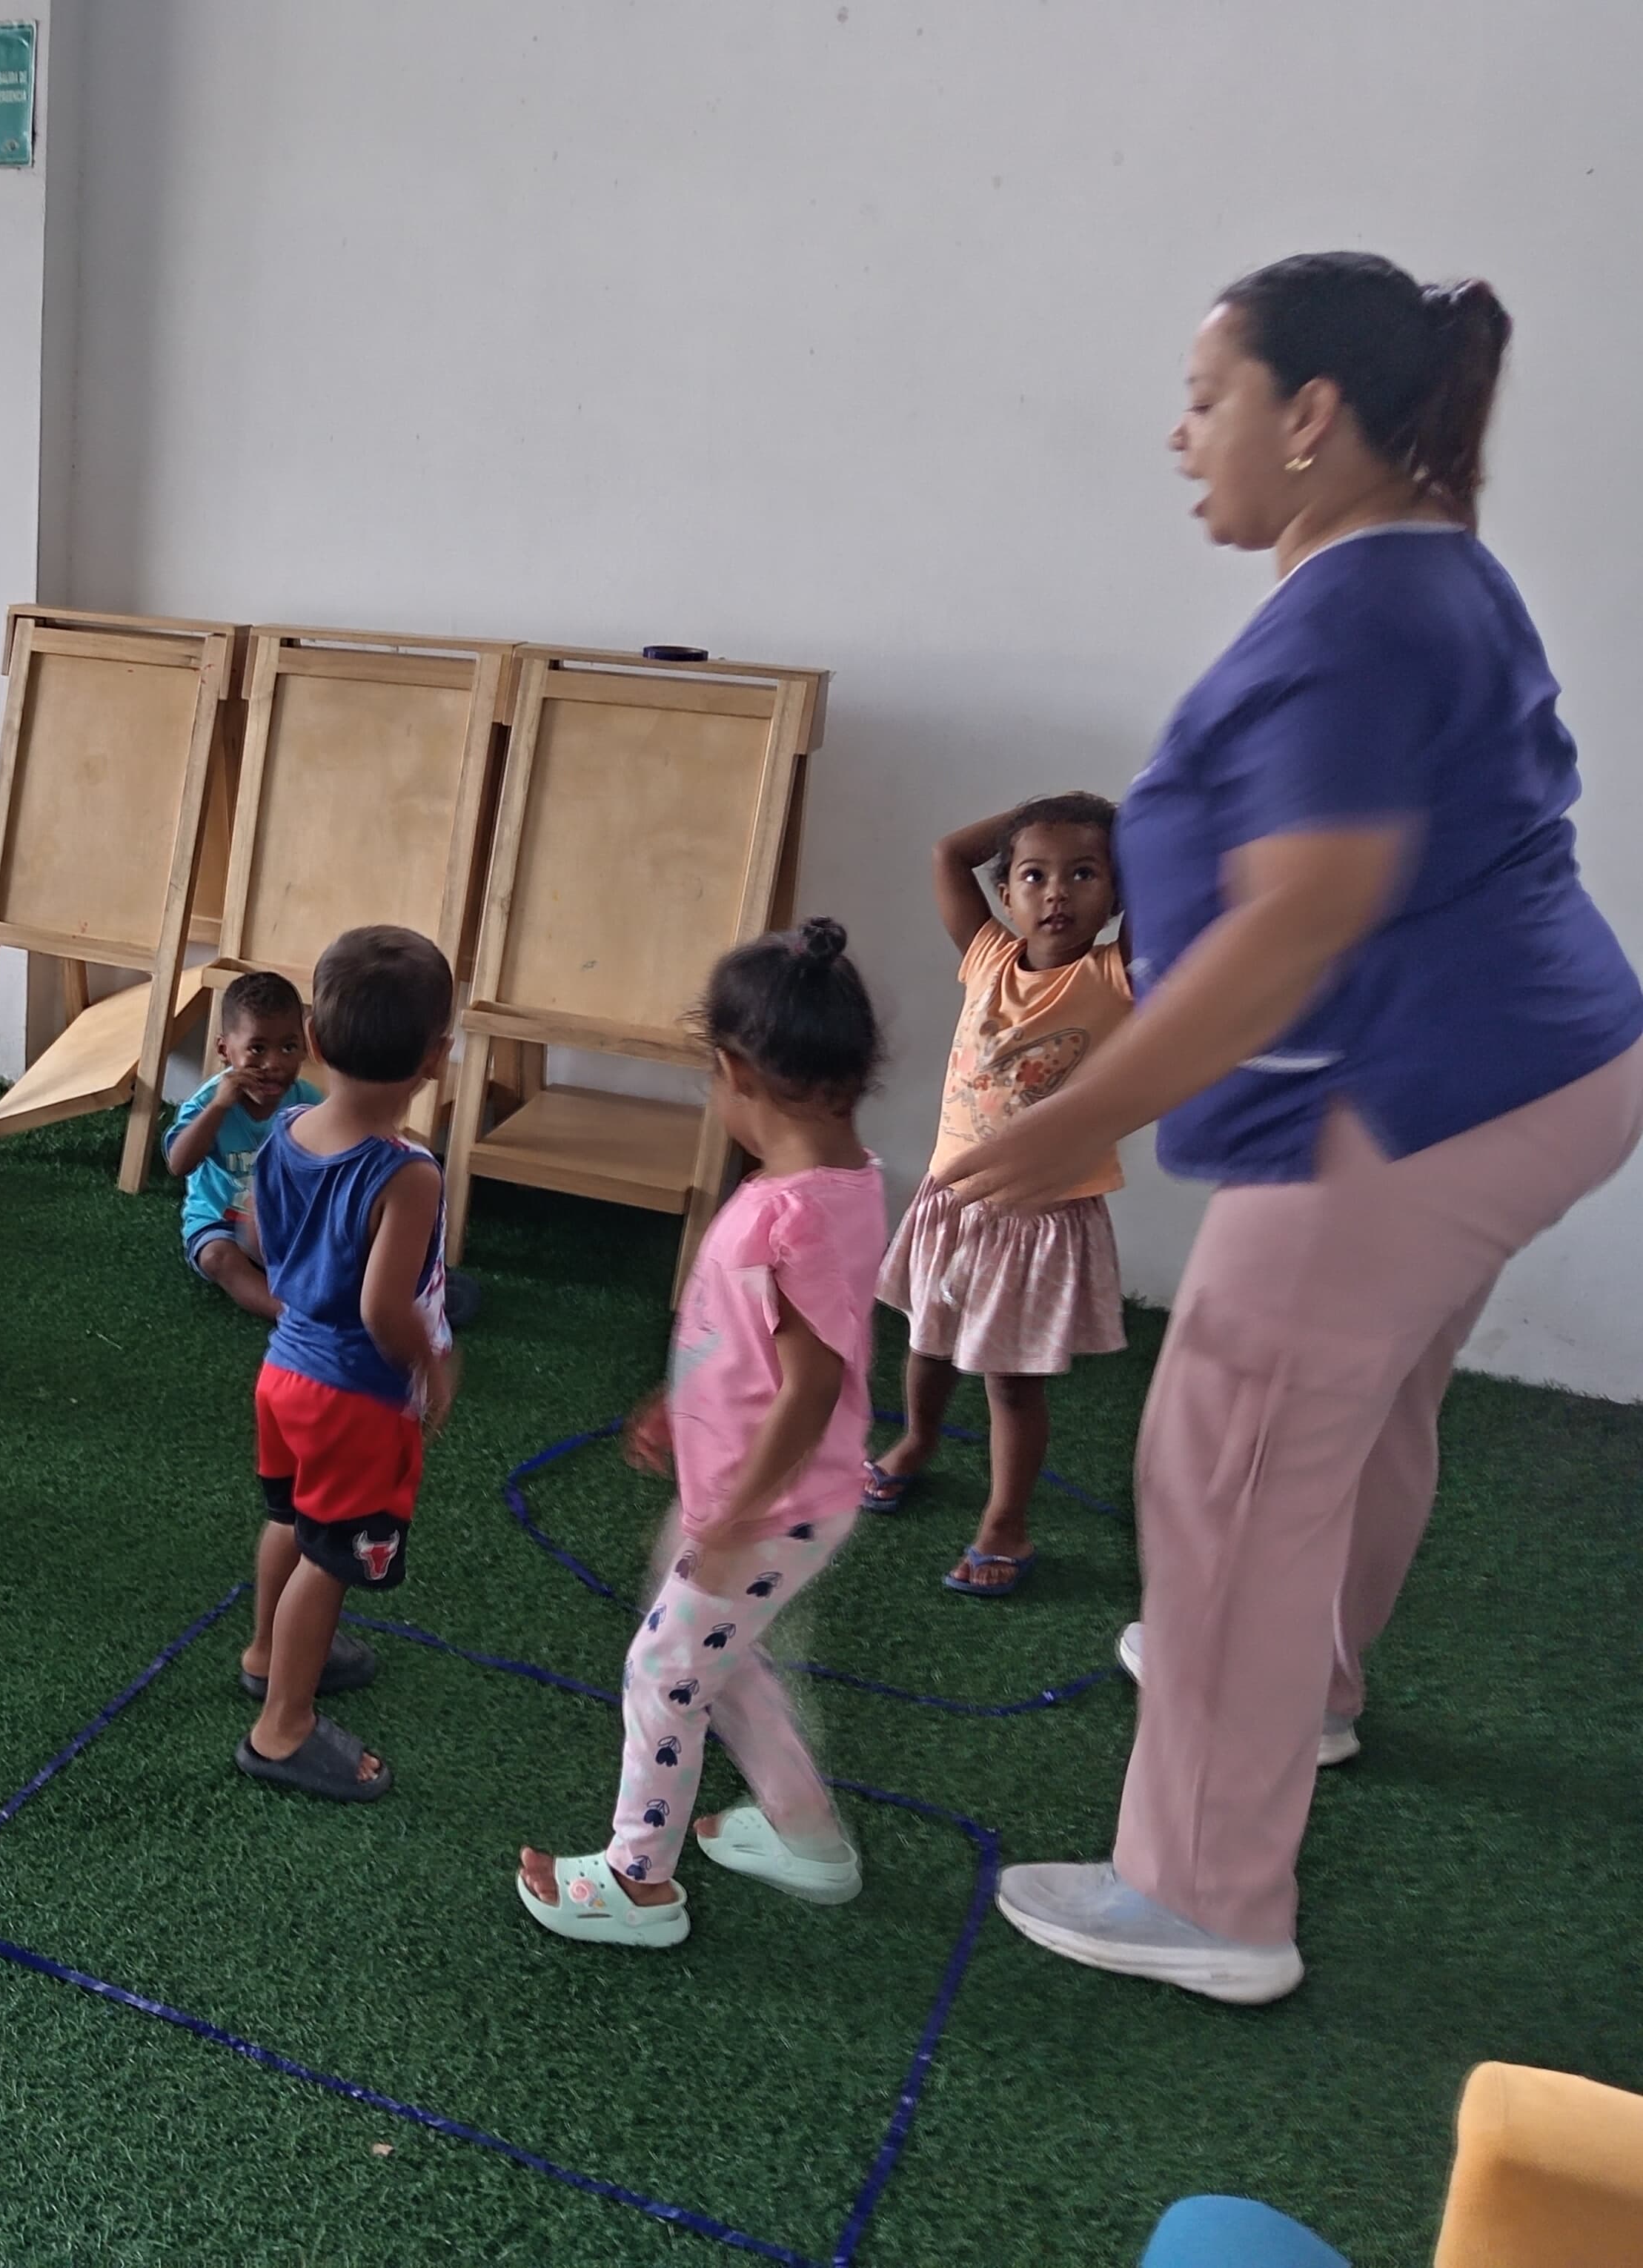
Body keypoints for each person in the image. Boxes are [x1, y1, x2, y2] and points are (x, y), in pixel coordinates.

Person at [946, 253, 1643, 2004]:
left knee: (1234, 1459)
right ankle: (1310, 1685)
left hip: (1406, 1095)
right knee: (1364, 1400)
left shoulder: (1360, 613)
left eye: (1208, 398)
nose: (1180, 435)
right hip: (1538, 1067)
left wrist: (1074, 1114)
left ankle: (1201, 1896)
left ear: (1309, 413)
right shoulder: (1423, 568)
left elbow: (1300, 917)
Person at [517, 920, 888, 1947]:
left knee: (664, 1671)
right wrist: (679, 1403)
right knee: (716, 1661)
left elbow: (812, 1387)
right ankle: (805, 1835)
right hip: (758, 1491)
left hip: (771, 1506)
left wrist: (736, 1515)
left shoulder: (795, 1215)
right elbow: (756, 1342)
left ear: (735, 1073)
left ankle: (638, 1883)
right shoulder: (842, 1181)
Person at [864, 798, 1132, 1596]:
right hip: (953, 1203)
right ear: (1007, 893)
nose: (1057, 894)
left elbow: (1167, 882)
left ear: (1119, 894)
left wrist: (1134, 823)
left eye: (1083, 874)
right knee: (927, 1341)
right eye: (1034, 876)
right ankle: (917, 1441)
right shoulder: (986, 955)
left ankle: (1005, 1523)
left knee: (1012, 1382)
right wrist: (1040, 811)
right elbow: (950, 853)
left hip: (1037, 1222)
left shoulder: (1115, 975)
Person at [233, 925, 458, 1803]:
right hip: (354, 1397)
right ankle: (282, 1727)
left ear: (314, 1041)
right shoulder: (409, 1173)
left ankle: (268, 1655)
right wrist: (432, 1361)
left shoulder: (288, 1129)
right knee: (330, 1560)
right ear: (436, 1056)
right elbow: (382, 1310)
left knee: (291, 1521)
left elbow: (260, 1233)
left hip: (283, 1374)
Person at [163, 969, 322, 1320]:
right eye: (257, 1048)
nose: (274, 1064)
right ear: (224, 1050)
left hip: (284, 1223)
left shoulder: (308, 1103)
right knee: (216, 1257)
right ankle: (292, 1315)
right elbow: (178, 1164)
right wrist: (219, 1107)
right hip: (220, 1220)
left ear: (304, 1047)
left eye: (288, 1047)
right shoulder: (208, 1103)